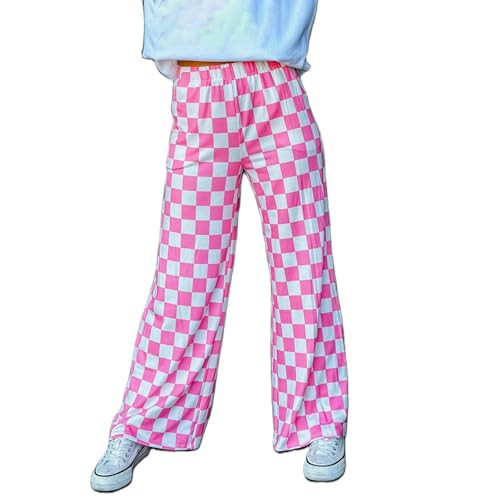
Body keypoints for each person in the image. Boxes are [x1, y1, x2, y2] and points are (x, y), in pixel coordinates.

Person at [91, 0, 348, 491]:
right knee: (183, 273)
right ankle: (144, 421)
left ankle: (320, 420)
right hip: (200, 84)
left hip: (276, 82)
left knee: (304, 263)